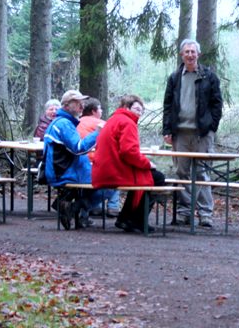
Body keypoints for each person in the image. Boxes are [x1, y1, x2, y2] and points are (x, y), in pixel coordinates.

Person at [162, 39, 223, 228]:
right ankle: (184, 212)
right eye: (186, 52)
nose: (190, 55)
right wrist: (167, 130)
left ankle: (205, 214)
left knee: (202, 172)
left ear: (198, 54)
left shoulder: (209, 77)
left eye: (193, 52)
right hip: (180, 133)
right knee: (182, 173)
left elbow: (217, 103)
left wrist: (211, 126)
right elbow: (168, 105)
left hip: (202, 134)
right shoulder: (174, 78)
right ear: (182, 55)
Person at [93, 95, 166, 233]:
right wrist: (147, 164)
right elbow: (129, 152)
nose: (139, 112)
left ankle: (125, 218)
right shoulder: (127, 122)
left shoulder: (113, 119)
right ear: (126, 108)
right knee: (157, 177)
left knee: (145, 177)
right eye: (136, 109)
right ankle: (137, 220)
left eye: (141, 110)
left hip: (103, 169)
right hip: (113, 171)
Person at [43, 90, 102, 230]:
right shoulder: (63, 124)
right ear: (67, 105)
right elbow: (79, 148)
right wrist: (97, 133)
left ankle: (72, 209)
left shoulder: (65, 122)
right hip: (65, 173)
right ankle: (73, 209)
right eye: (78, 103)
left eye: (82, 103)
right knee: (109, 186)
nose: (82, 107)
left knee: (104, 181)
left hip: (69, 171)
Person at [77, 97, 120, 217]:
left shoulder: (77, 122)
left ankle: (97, 207)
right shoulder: (100, 124)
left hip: (80, 161)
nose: (101, 111)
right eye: (100, 108)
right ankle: (113, 206)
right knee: (116, 174)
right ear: (94, 111)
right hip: (93, 161)